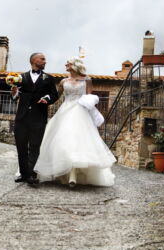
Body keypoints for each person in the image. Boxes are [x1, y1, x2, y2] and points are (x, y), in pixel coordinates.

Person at [34, 57, 116, 187]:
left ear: (75, 65)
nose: (66, 64)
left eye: (69, 63)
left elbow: (90, 98)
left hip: (80, 112)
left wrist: (92, 108)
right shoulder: (63, 81)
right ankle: (64, 172)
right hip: (64, 112)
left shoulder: (87, 80)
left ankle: (73, 174)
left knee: (78, 142)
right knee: (62, 141)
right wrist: (46, 100)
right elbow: (56, 97)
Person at [11, 53, 59, 185]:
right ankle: (23, 173)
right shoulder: (21, 77)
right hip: (21, 117)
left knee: (34, 146)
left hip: (39, 118)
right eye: (42, 59)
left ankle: (31, 174)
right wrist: (14, 92)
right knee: (21, 146)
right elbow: (15, 96)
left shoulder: (49, 78)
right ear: (33, 60)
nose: (45, 61)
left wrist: (47, 99)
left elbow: (55, 95)